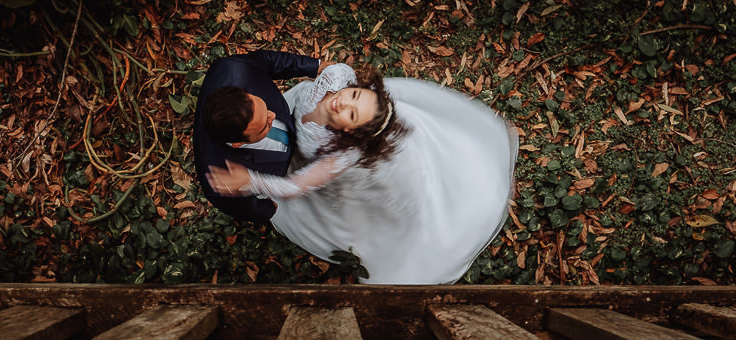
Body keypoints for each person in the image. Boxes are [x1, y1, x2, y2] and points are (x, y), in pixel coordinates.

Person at [207, 63, 519, 285]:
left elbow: (296, 186)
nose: (342, 102)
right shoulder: (336, 78)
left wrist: (251, 181)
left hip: (324, 167)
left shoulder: (341, 156)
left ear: (348, 133)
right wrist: (316, 68)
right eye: (355, 96)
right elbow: (338, 74)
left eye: (351, 115)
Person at [193, 50, 330, 224]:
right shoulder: (219, 177)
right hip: (283, 173)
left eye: (263, 108)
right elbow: (244, 208)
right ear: (237, 143)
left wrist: (315, 66)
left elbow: (269, 61)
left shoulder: (235, 68)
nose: (273, 115)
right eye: (265, 126)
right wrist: (268, 210)